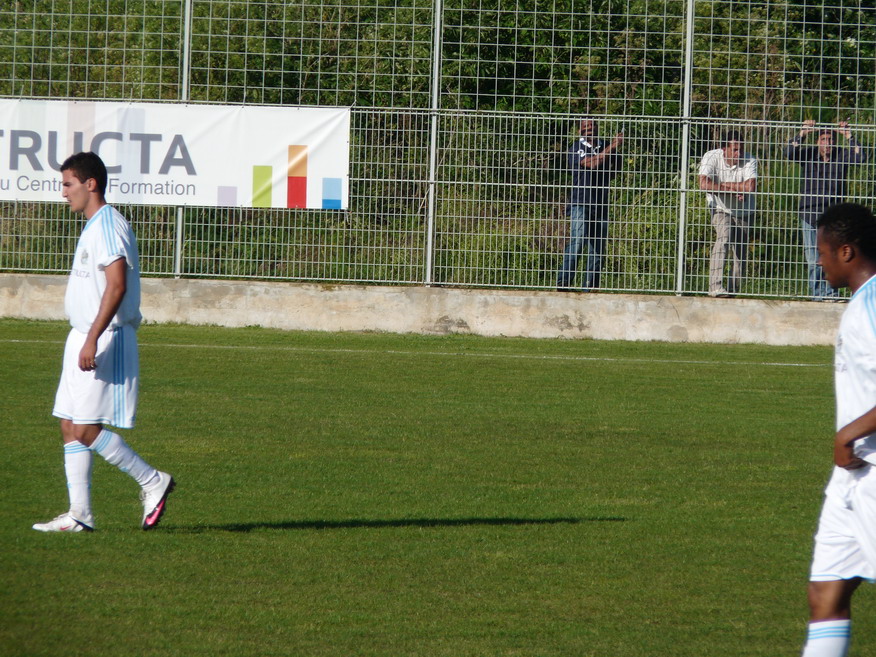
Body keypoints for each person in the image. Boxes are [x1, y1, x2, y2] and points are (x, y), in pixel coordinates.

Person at [33, 151, 174, 533]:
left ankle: (151, 480)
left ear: (90, 184)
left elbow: (117, 285)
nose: (63, 193)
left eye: (68, 184)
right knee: (68, 423)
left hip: (104, 336)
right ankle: (80, 514)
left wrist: (92, 339)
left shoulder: (109, 225)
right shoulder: (93, 225)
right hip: (81, 334)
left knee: (85, 429)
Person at [800, 202, 876, 657]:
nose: (818, 260)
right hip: (850, 478)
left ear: (846, 251)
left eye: (823, 251)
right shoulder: (859, 303)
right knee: (825, 594)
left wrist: (848, 432)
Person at [785, 120, 867, 301]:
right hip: (809, 214)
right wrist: (803, 133)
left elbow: (861, 157)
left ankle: (830, 294)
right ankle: (817, 295)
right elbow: (788, 152)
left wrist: (848, 136)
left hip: (832, 217)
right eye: (823, 139)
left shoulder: (841, 155)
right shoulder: (808, 154)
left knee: (833, 257)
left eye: (830, 139)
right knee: (814, 259)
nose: (827, 143)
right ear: (817, 142)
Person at [556, 117, 623, 291]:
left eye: (592, 125)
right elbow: (592, 163)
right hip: (580, 202)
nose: (589, 128)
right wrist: (612, 147)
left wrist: (609, 151)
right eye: (585, 126)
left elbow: (615, 169)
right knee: (577, 241)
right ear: (580, 131)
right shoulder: (576, 148)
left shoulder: (604, 145)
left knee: (597, 247)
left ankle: (590, 287)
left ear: (598, 127)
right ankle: (564, 283)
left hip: (600, 203)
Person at [698, 130, 758, 297]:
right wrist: (732, 190)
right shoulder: (711, 156)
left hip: (745, 210)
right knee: (724, 236)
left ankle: (732, 293)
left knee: (740, 252)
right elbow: (703, 184)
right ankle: (715, 286)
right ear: (724, 149)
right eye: (735, 150)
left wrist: (722, 184)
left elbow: (750, 187)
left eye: (741, 149)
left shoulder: (750, 159)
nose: (739, 153)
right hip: (719, 207)